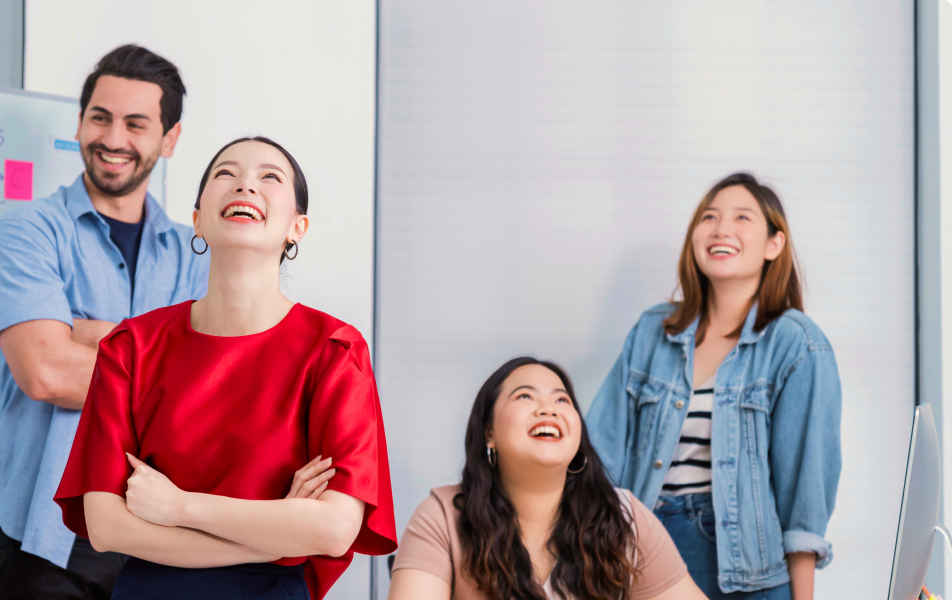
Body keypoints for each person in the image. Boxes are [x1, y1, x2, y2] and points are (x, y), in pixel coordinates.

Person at [54, 136, 398, 599]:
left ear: (297, 227)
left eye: (269, 177)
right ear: (197, 220)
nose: (245, 185)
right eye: (225, 173)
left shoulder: (334, 350)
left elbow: (335, 528)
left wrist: (179, 506)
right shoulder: (132, 346)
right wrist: (279, 535)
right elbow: (106, 526)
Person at [0, 45, 209, 600]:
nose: (113, 138)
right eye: (100, 118)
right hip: (50, 540)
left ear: (169, 139)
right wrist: (168, 358)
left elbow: (218, 390)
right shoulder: (27, 232)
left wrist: (88, 333)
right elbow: (48, 374)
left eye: (136, 124)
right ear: (80, 122)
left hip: (168, 538)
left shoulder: (198, 254)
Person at [586, 173, 841, 600]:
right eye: (709, 217)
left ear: (774, 244)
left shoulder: (796, 344)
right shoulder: (652, 331)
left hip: (747, 573)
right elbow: (597, 458)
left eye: (742, 218)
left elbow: (805, 496)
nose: (721, 228)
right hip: (642, 551)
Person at [390, 357, 705, 600]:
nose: (548, 409)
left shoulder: (625, 518)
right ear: (489, 433)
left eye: (562, 400)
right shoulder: (443, 517)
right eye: (525, 396)